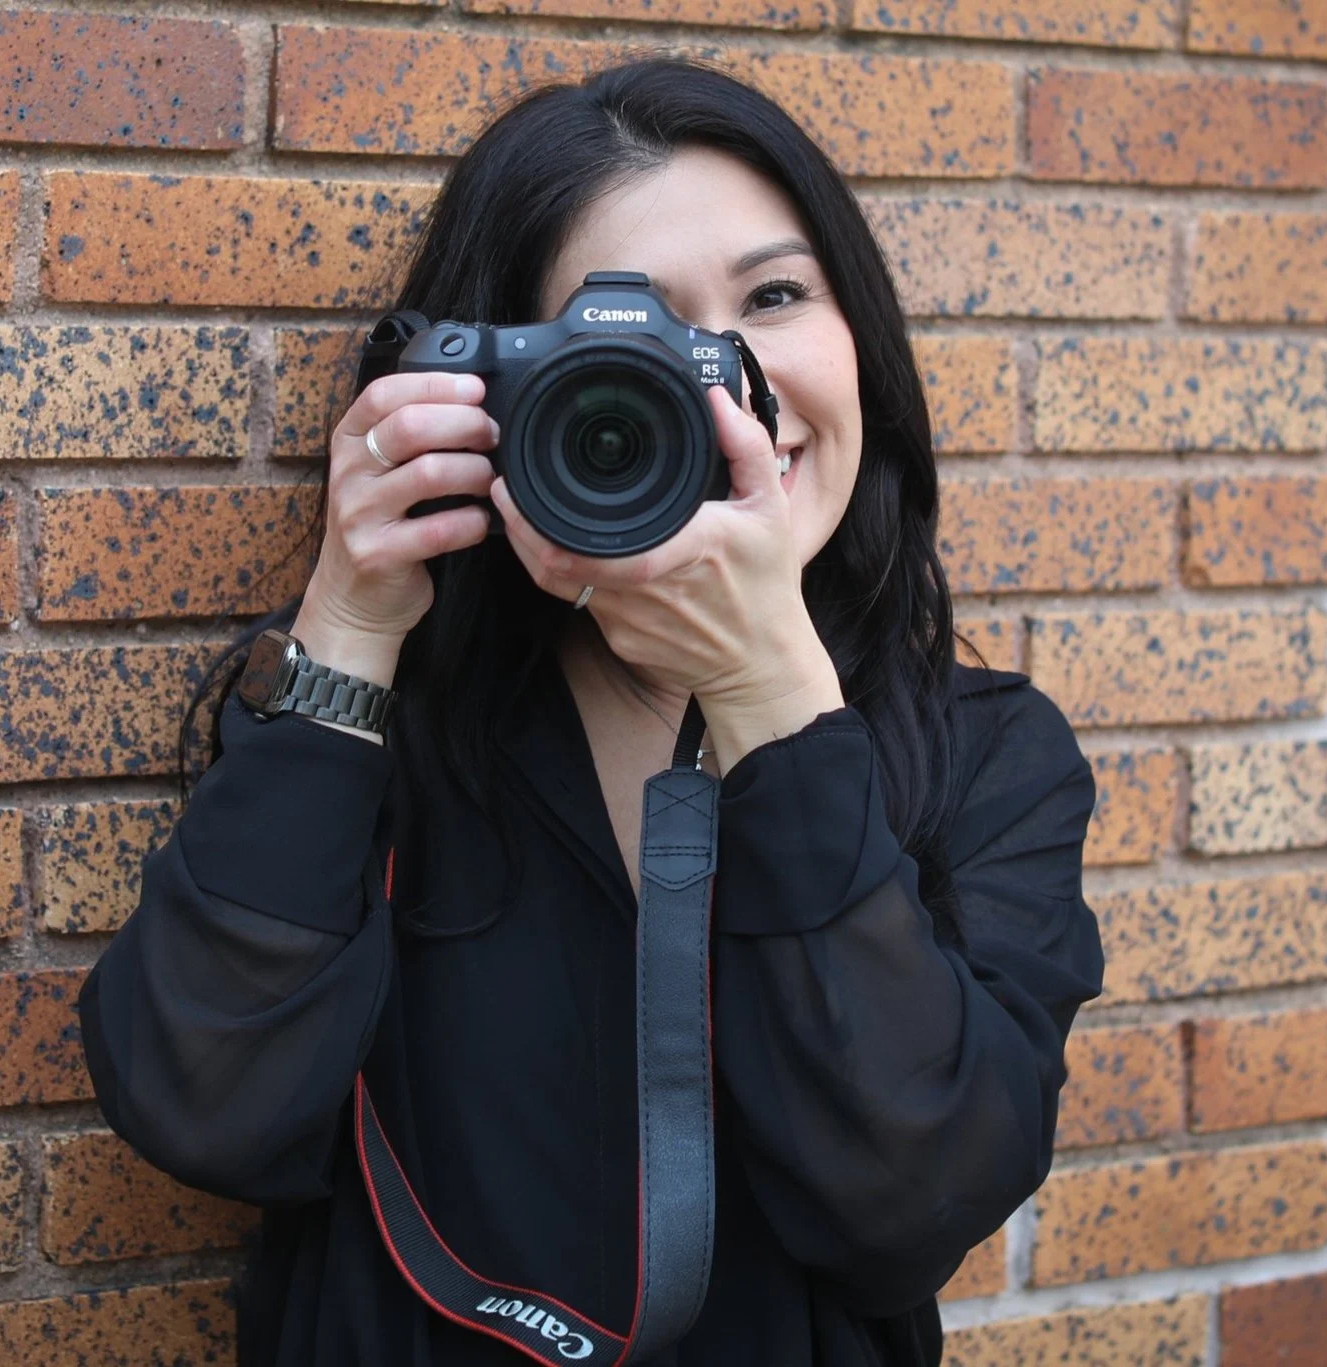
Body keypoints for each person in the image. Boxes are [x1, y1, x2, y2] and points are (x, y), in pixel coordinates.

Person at [77, 57, 1104, 1367]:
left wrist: (771, 698)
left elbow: (911, 1204)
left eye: (775, 295)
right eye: (634, 333)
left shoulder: (985, 756)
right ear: (499, 392)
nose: (726, 381)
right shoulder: (385, 731)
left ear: (863, 341)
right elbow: (198, 1108)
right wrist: (347, 630)